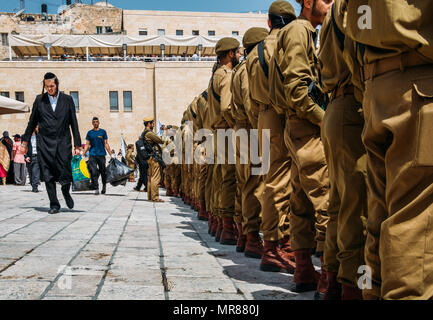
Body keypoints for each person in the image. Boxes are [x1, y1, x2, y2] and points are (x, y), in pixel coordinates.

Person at [344, 0, 433, 300]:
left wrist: (367, 85)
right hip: (421, 84)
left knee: (379, 213)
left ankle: (372, 291)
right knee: (415, 216)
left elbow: (349, 33)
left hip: (376, 86)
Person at [269, 0, 333, 294]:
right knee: (326, 199)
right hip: (307, 126)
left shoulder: (301, 30)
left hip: (298, 126)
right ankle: (330, 278)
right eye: (327, 0)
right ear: (309, 3)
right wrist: (323, 120)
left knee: (302, 201)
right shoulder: (299, 30)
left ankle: (305, 270)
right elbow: (297, 88)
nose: (331, 5)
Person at [246, 0, 297, 273]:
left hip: (263, 116)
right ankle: (277, 246)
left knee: (270, 178)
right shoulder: (287, 42)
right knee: (283, 182)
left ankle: (276, 244)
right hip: (282, 113)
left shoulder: (255, 52)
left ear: (269, 22)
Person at [231, 27, 269, 259]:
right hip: (250, 132)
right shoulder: (247, 70)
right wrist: (260, 130)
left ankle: (246, 235)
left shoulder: (238, 69)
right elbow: (249, 101)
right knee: (254, 185)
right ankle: (252, 237)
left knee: (247, 184)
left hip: (242, 131)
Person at [21, 72, 82, 214]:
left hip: (63, 142)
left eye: (52, 86)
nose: (49, 89)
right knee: (47, 174)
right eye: (47, 86)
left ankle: (66, 192)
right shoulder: (39, 100)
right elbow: (32, 123)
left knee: (65, 173)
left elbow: (74, 122)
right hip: (45, 143)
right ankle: (54, 204)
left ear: (57, 84)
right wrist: (25, 142)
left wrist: (77, 145)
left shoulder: (67, 100)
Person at [206, 37, 241, 245]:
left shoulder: (214, 76)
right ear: (229, 54)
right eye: (237, 52)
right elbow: (228, 108)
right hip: (227, 131)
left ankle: (222, 225)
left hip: (217, 133)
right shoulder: (226, 76)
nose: (238, 56)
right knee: (229, 180)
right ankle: (228, 228)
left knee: (220, 180)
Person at [82, 117, 112, 195]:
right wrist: (82, 154)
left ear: (99, 123)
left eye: (97, 122)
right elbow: (87, 144)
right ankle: (96, 188)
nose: (95, 123)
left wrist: (111, 154)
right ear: (92, 123)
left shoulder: (103, 132)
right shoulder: (90, 133)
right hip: (92, 155)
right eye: (94, 122)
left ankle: (104, 185)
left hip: (101, 154)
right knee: (94, 172)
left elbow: (106, 144)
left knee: (103, 172)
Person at [142, 117, 165, 202]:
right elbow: (161, 140)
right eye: (152, 123)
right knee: (155, 177)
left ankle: (150, 197)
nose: (154, 124)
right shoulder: (149, 133)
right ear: (149, 124)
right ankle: (155, 197)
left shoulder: (144, 133)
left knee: (151, 178)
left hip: (150, 157)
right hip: (154, 158)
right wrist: (164, 131)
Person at [25, 126, 41, 193]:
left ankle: (35, 187)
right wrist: (25, 156)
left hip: (37, 156)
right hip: (29, 157)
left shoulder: (39, 136)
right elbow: (23, 147)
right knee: (31, 172)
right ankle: (33, 184)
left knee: (36, 172)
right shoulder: (25, 136)